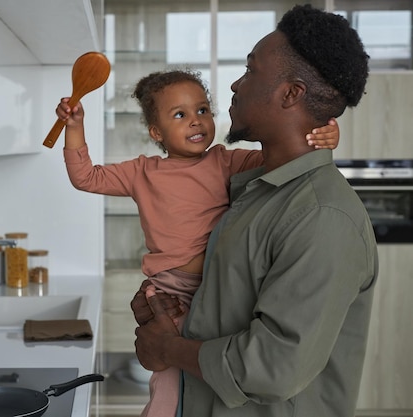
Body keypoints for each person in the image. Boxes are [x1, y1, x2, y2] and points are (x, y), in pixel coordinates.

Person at [131, 4, 378, 417]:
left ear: (290, 93)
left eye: (249, 71)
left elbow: (273, 368)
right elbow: (224, 305)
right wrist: (164, 306)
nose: (234, 84)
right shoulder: (251, 194)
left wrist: (168, 347)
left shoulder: (322, 218)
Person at [56, 64, 340, 417]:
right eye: (180, 114)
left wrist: (322, 136)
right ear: (156, 132)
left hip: (219, 289)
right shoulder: (141, 172)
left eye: (202, 110)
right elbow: (86, 177)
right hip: (170, 292)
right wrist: (74, 127)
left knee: (210, 382)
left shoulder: (226, 162)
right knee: (169, 381)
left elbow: (283, 156)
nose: (195, 120)